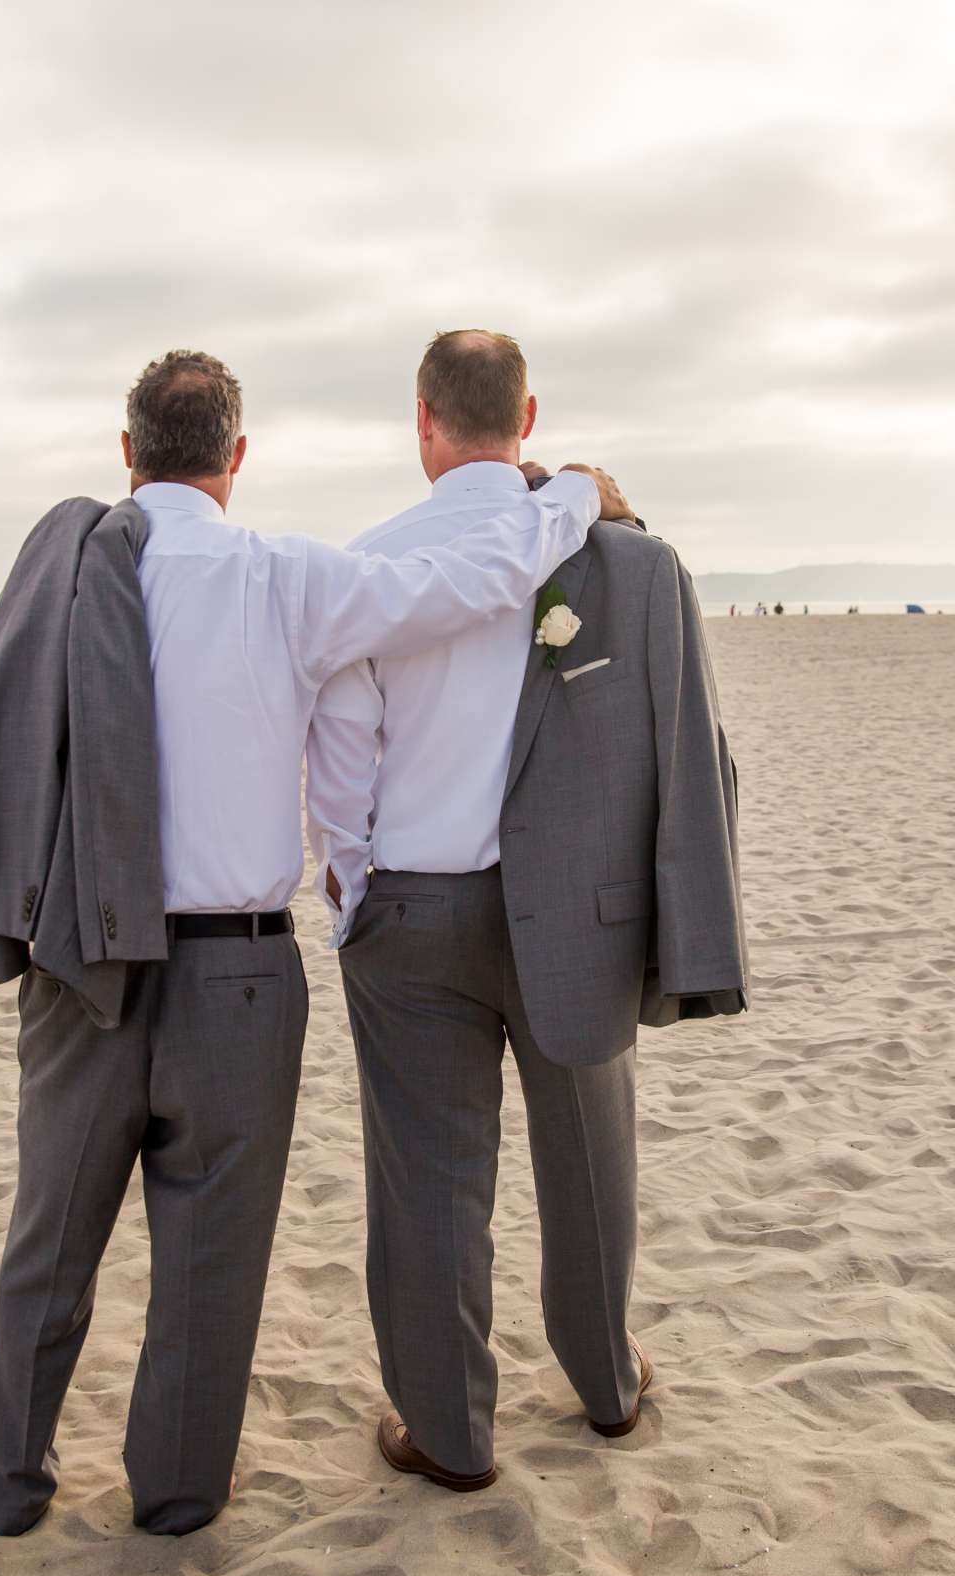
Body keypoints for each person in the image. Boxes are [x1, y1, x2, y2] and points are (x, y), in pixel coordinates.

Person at [0, 349, 615, 1539]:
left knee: (48, 1240)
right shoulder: (286, 580)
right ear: (238, 457)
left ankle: (7, 1484)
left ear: (129, 455)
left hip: (81, 971)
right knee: (209, 1267)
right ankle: (175, 1498)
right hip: (241, 975)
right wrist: (568, 494)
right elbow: (474, 577)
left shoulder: (58, 584)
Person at [309, 330, 746, 1494]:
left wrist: (352, 890)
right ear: (530, 415)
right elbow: (690, 754)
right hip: (586, 915)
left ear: (422, 421)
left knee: (430, 1178)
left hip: (412, 914)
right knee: (591, 1162)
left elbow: (341, 768)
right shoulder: (639, 566)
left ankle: (449, 1432)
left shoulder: (374, 565)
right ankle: (607, 1384)